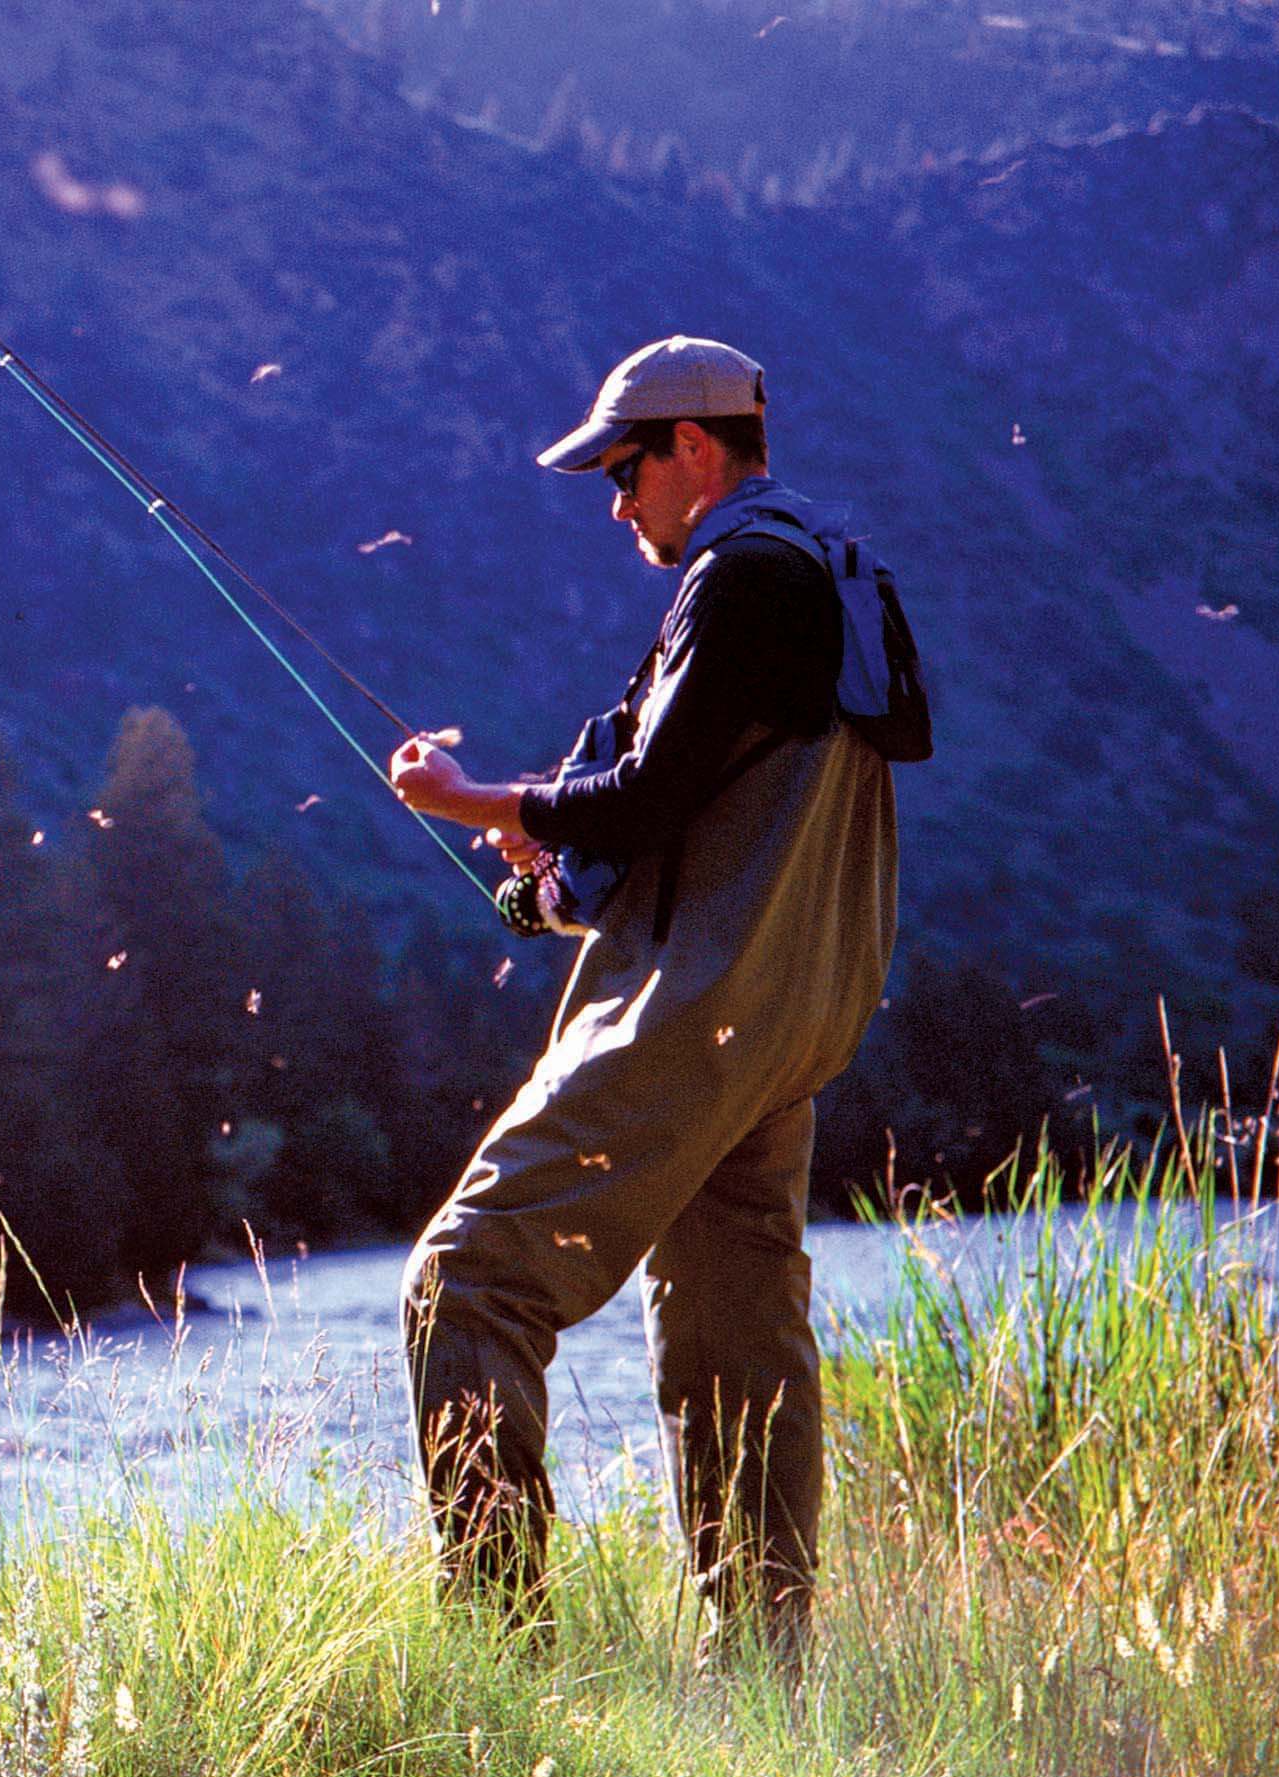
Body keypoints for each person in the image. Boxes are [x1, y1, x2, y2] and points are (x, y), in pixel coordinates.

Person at [381, 335, 901, 1671]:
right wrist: (532, 879)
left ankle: (502, 1668)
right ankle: (768, 1690)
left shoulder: (744, 579)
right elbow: (676, 830)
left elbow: (647, 797)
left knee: (470, 1275)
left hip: (700, 1015)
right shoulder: (836, 581)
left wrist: (471, 801)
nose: (618, 506)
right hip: (793, 1021)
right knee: (737, 1337)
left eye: (624, 471)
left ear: (694, 448)